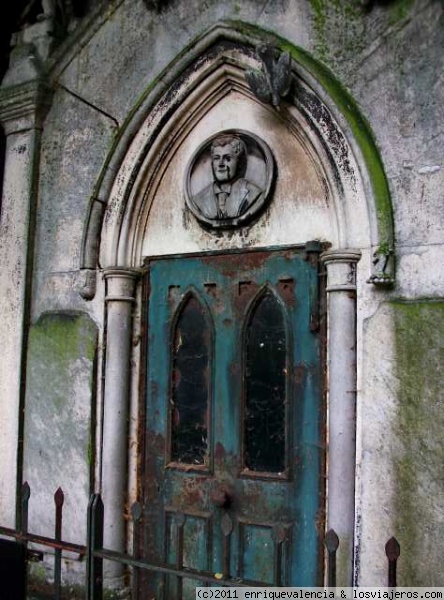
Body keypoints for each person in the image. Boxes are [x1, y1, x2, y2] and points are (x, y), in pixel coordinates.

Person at [192, 134, 263, 220]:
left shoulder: (253, 192)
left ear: (239, 163)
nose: (221, 164)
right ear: (212, 163)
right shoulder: (199, 199)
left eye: (227, 158)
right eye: (217, 158)